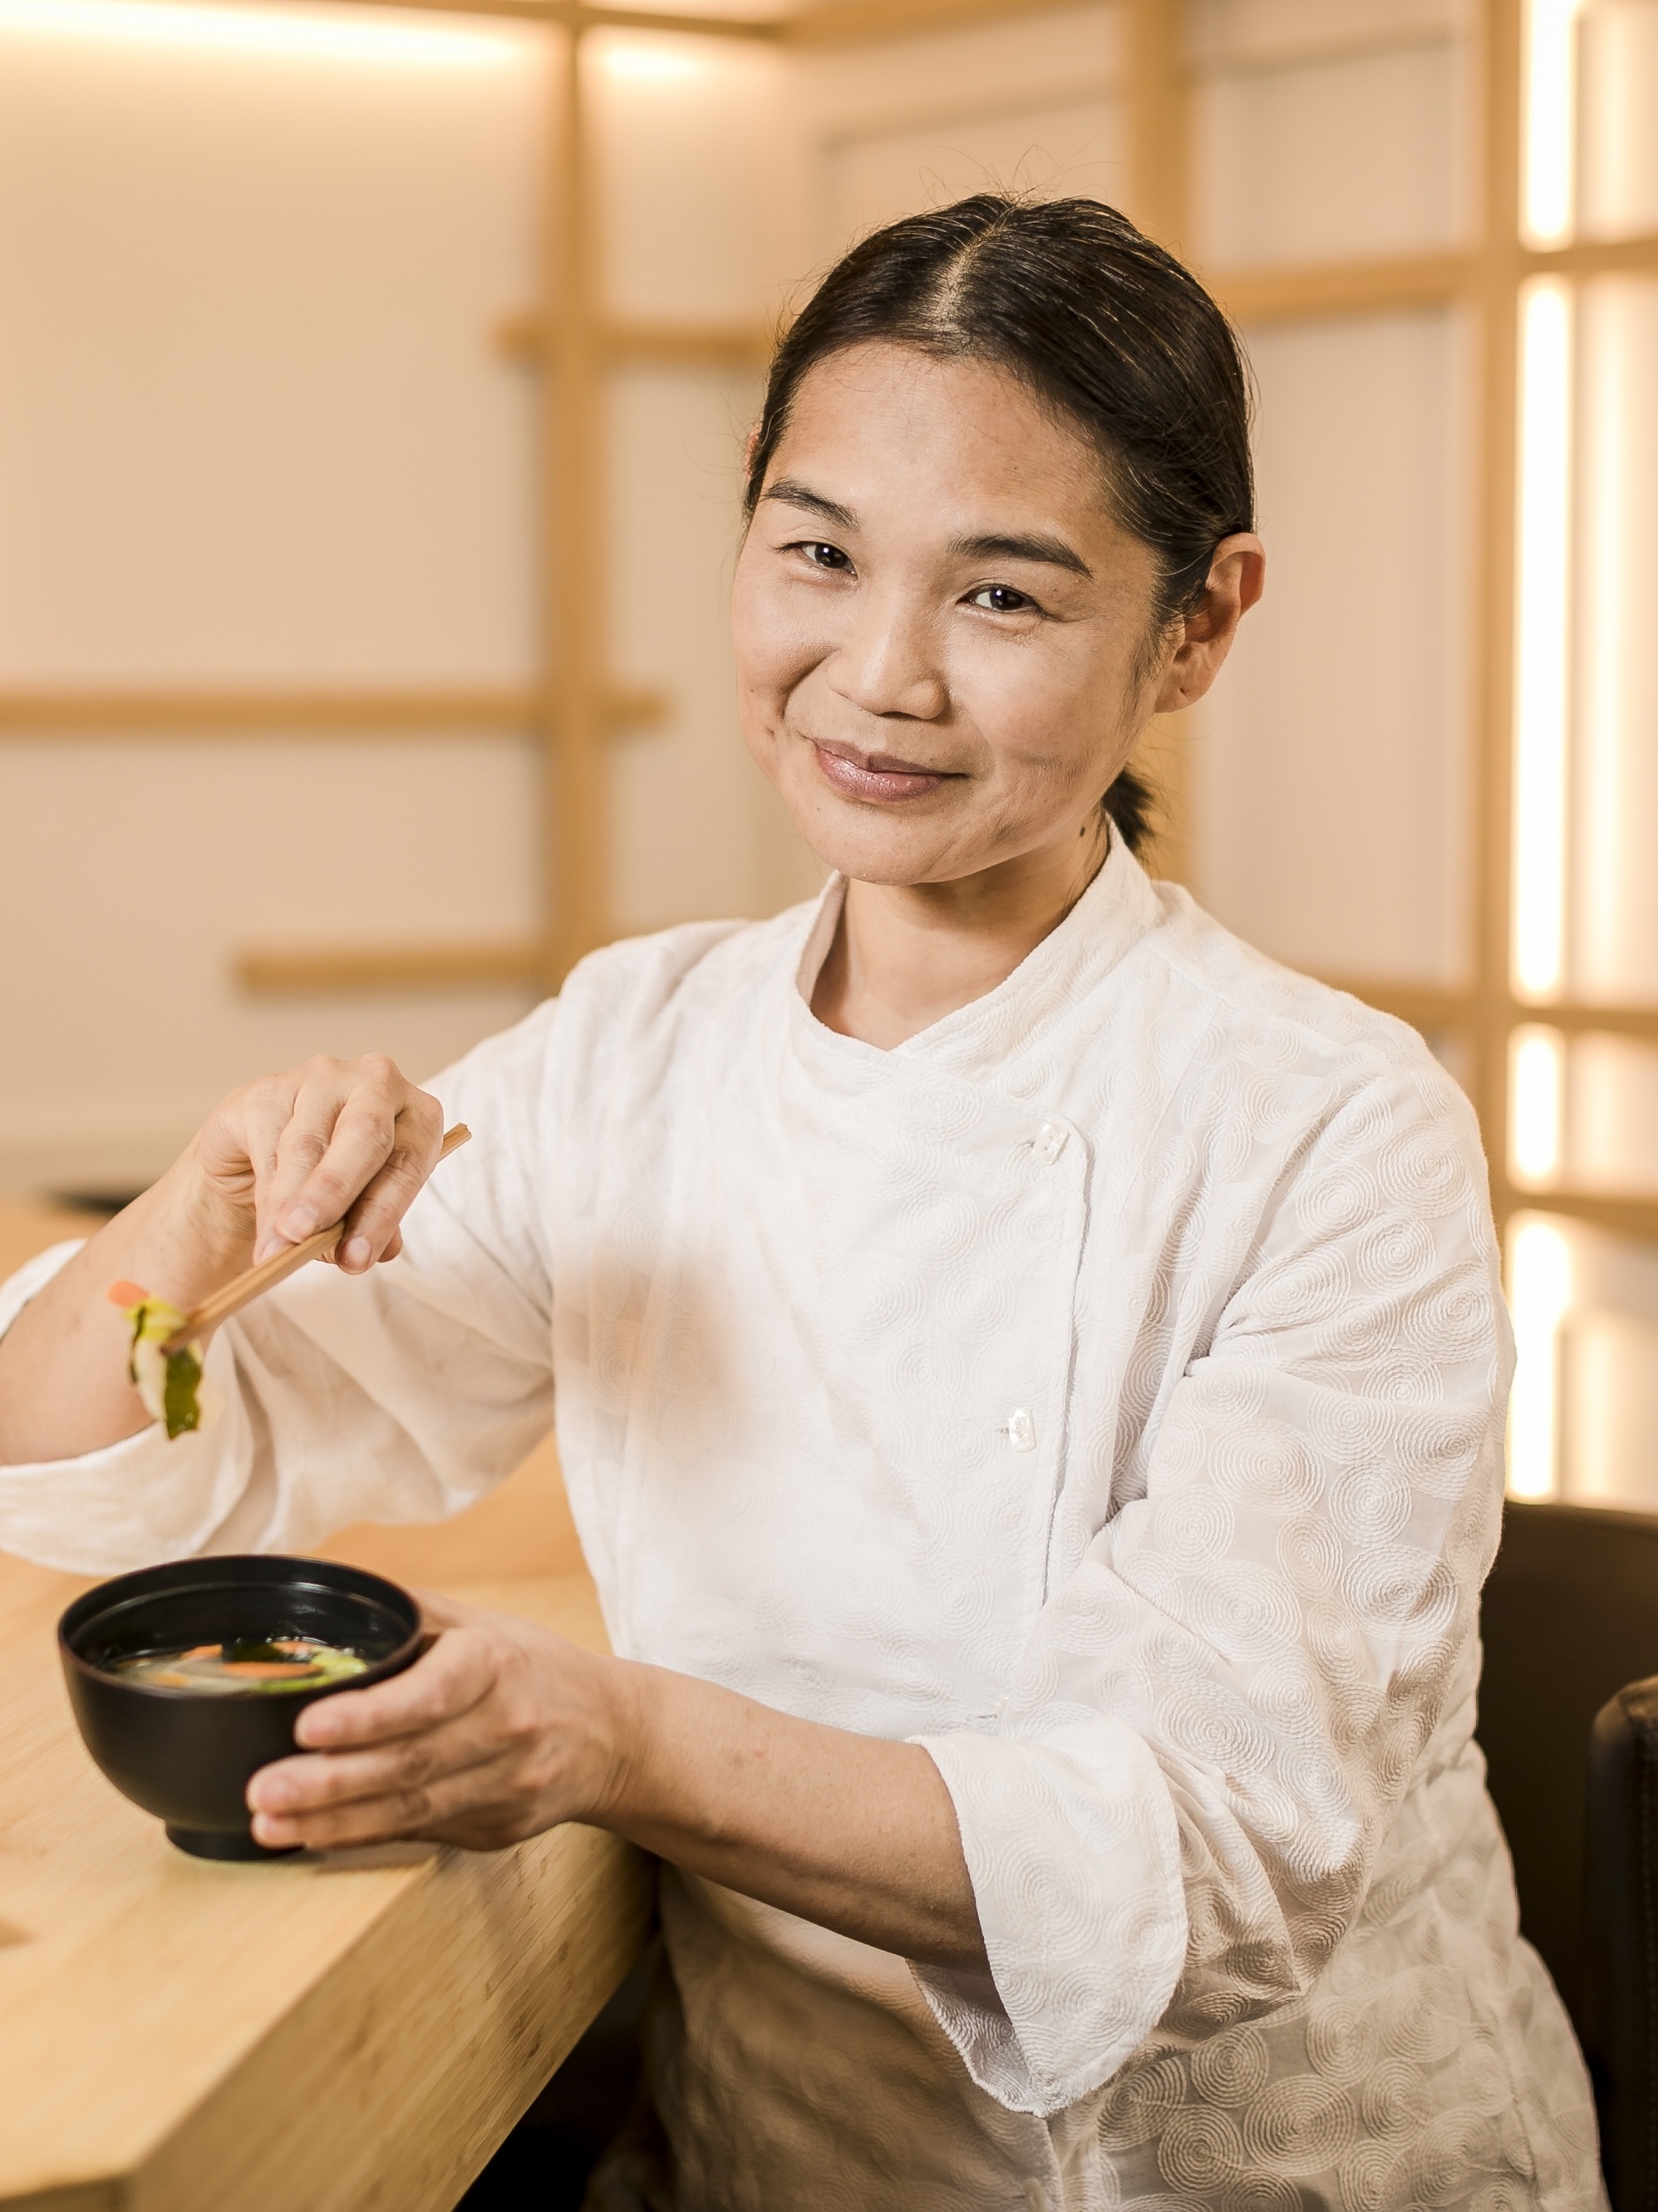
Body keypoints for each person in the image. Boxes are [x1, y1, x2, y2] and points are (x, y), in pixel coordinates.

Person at [0, 197, 1603, 2212]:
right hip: (798, 2161)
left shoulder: (1328, 1126)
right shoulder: (630, 1056)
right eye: (818, 552)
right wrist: (192, 1221)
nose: (877, 673)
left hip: (1276, 2178)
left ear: (1192, 625)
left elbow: (1196, 1861)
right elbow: (101, 1473)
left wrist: (620, 1741)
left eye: (1001, 597)